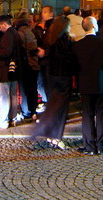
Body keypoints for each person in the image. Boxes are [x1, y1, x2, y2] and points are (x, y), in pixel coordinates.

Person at [73, 16, 103, 155]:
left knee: (88, 115)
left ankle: (89, 145)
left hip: (86, 83)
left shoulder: (78, 45)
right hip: (101, 82)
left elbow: (74, 66)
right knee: (101, 114)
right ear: (93, 25)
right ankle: (100, 145)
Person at [32, 16, 74, 150]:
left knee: (53, 105)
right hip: (62, 76)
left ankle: (48, 132)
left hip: (50, 76)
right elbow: (67, 58)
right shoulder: (64, 41)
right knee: (60, 108)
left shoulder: (49, 39)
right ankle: (55, 135)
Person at [0, 15, 22, 129]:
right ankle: (12, 118)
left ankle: (4, 119)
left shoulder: (8, 35)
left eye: (0, 26)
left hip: (4, 68)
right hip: (13, 68)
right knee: (13, 94)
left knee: (4, 95)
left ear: (4, 24)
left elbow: (6, 52)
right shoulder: (15, 33)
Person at [15, 14, 40, 121]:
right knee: (32, 89)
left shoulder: (20, 34)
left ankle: (27, 111)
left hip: (26, 65)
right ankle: (33, 110)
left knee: (25, 89)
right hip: (34, 64)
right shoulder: (30, 32)